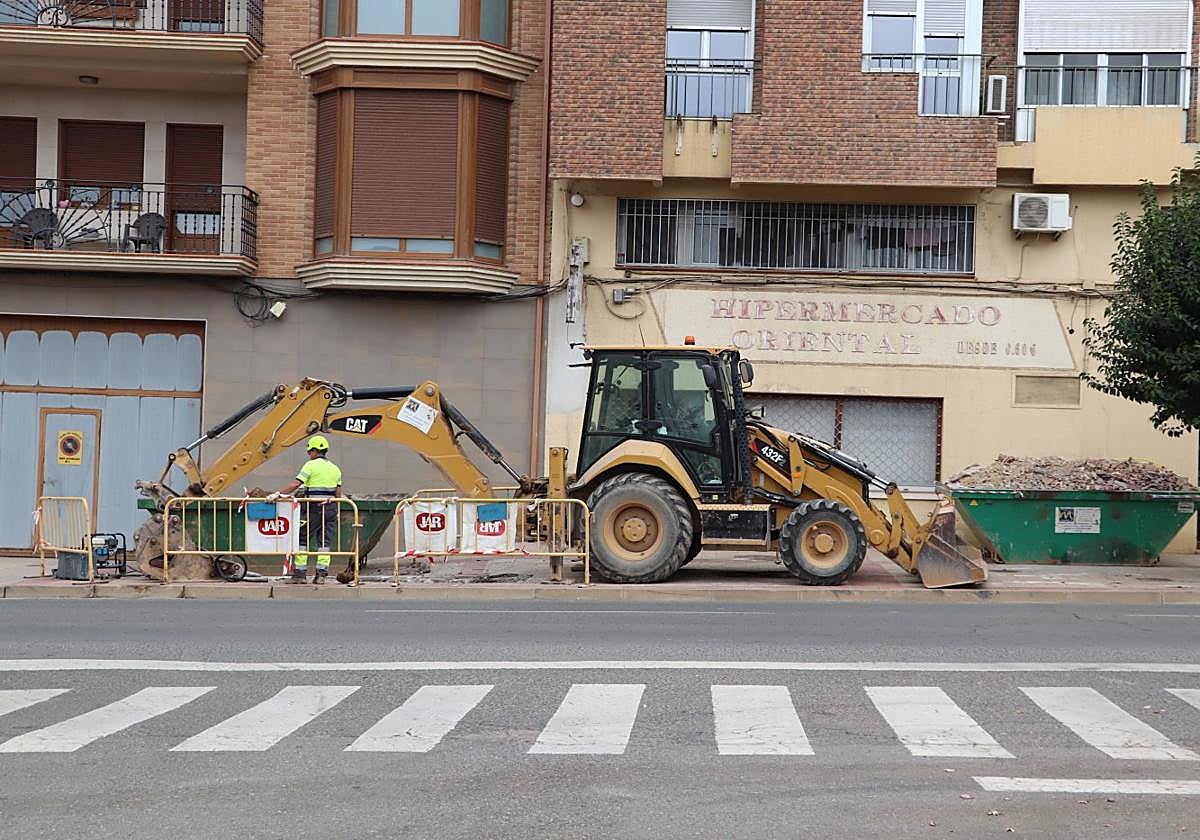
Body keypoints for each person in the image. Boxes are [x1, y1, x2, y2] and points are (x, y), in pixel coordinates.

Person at [269, 435, 343, 584]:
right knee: (324, 543)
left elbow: (296, 484)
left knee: (302, 539)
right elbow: (338, 493)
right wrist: (336, 510)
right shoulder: (335, 468)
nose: (310, 454)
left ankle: (300, 574)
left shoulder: (310, 465)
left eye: (310, 451)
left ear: (314, 451)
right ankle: (321, 575)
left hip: (313, 508)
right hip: (330, 509)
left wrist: (279, 494)